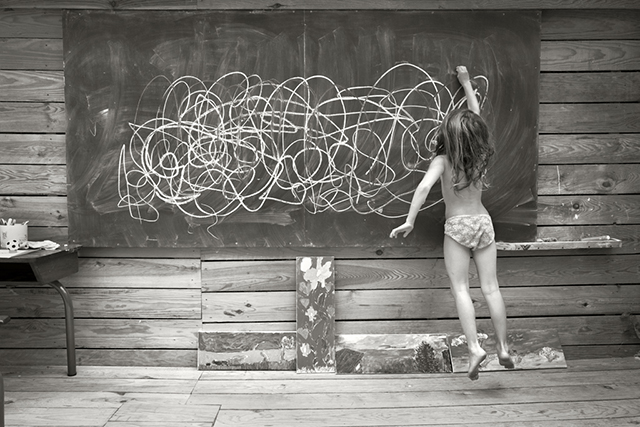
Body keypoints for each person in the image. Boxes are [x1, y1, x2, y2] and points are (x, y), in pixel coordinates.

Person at [390, 65, 514, 380]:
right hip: (484, 223)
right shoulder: (481, 155)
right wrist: (466, 83)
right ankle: (502, 347)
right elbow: (475, 116)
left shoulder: (443, 161)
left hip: (458, 227)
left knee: (461, 288)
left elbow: (423, 188)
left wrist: (409, 220)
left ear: (447, 136)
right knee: (491, 288)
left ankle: (474, 347)